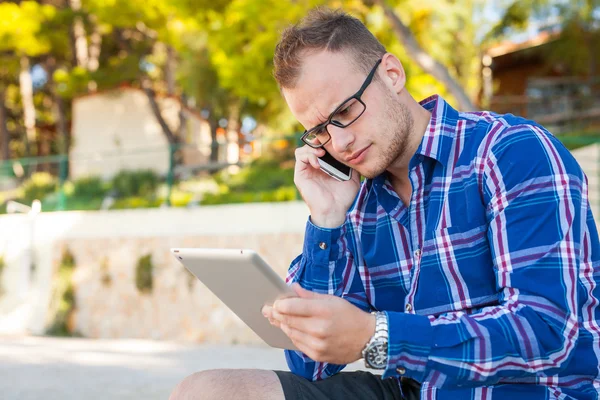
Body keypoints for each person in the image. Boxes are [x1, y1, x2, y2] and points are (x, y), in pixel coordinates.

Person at [169, 7, 600, 400]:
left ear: (392, 73)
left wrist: (378, 335)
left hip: (522, 393)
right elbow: (312, 366)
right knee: (206, 391)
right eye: (318, 130)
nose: (339, 142)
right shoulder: (355, 199)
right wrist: (327, 220)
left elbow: (548, 332)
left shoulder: (512, 152)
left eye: (345, 112)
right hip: (409, 392)